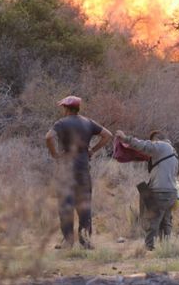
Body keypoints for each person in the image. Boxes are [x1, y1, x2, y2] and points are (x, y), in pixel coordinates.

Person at [45, 95, 112, 250]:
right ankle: (86, 241)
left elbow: (48, 137)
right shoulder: (88, 122)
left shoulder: (61, 123)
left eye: (63, 107)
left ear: (67, 108)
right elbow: (107, 135)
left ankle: (68, 241)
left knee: (65, 204)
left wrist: (55, 154)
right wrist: (93, 150)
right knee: (84, 204)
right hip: (83, 167)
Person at [115, 129, 179, 250]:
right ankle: (166, 249)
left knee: (153, 220)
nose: (151, 144)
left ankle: (148, 247)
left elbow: (144, 146)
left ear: (156, 140)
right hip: (171, 193)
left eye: (152, 142)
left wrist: (125, 138)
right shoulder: (173, 152)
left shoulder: (161, 146)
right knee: (166, 221)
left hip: (160, 192)